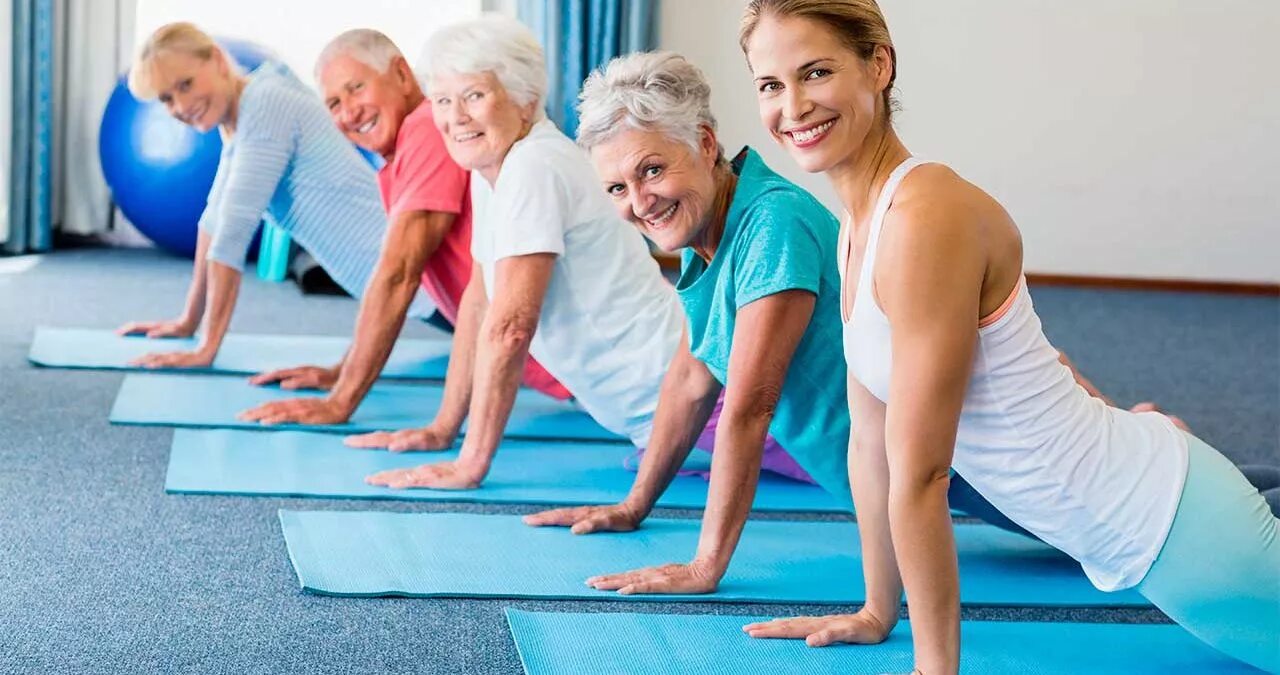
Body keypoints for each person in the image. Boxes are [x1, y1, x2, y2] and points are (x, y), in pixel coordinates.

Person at [735, 2, 1279, 672]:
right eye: (770, 84)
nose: (793, 105)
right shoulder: (858, 225)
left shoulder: (926, 217)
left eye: (815, 72)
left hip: (1180, 533)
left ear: (878, 65)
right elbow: (870, 444)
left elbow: (922, 474)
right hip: (1145, 500)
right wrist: (879, 610)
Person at [523, 52, 1041, 590]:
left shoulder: (772, 222)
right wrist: (633, 507)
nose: (639, 202)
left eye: (651, 170)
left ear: (704, 144)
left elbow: (749, 408)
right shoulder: (702, 226)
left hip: (973, 453)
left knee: (1102, 526)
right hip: (906, 470)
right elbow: (691, 378)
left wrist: (706, 567)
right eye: (617, 189)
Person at [349, 16, 688, 489]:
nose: (455, 117)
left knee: (829, 468)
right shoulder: (496, 164)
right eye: (443, 100)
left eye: (474, 95)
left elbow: (510, 328)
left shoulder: (534, 166)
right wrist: (443, 428)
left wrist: (470, 464)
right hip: (664, 411)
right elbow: (479, 299)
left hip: (694, 401)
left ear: (525, 98)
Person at [237, 28, 568, 430]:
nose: (349, 112)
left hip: (582, 365)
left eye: (356, 88)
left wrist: (339, 403)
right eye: (334, 104)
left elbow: (398, 275)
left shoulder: (429, 128)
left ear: (401, 74)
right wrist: (343, 370)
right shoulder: (408, 146)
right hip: (563, 371)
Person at [118, 22, 435, 370]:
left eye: (186, 84)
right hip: (403, 285)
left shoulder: (266, 104)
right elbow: (214, 219)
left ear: (218, 60)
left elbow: (234, 232)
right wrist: (188, 321)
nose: (181, 105)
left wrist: (206, 350)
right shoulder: (243, 113)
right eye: (167, 98)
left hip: (427, 281)